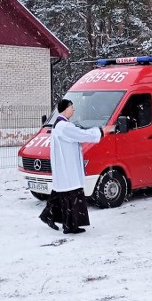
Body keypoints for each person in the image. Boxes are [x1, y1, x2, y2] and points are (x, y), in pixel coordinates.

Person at [39, 99, 115, 234]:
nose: (73, 110)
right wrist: (101, 131)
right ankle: (69, 225)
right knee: (71, 195)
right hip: (68, 168)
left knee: (63, 193)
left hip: (66, 166)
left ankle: (52, 217)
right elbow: (82, 135)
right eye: (72, 108)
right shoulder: (64, 127)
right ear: (66, 109)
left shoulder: (60, 125)